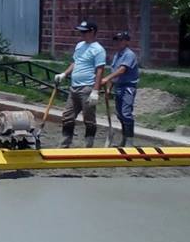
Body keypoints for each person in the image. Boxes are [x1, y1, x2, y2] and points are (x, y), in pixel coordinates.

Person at [55, 20, 106, 148]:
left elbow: (100, 70)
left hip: (87, 88)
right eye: (81, 31)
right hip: (74, 86)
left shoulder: (98, 50)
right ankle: (64, 145)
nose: (81, 34)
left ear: (92, 32)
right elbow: (75, 62)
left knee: (88, 118)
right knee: (67, 116)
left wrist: (95, 90)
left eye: (84, 32)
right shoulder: (80, 45)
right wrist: (64, 74)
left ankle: (88, 146)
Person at [102, 31, 139, 147]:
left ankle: (129, 141)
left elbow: (122, 70)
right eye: (117, 40)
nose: (118, 42)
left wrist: (107, 78)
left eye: (121, 40)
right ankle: (124, 139)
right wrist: (109, 88)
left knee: (126, 113)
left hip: (128, 87)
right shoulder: (117, 55)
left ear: (127, 41)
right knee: (120, 114)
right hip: (118, 87)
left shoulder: (129, 55)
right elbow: (115, 72)